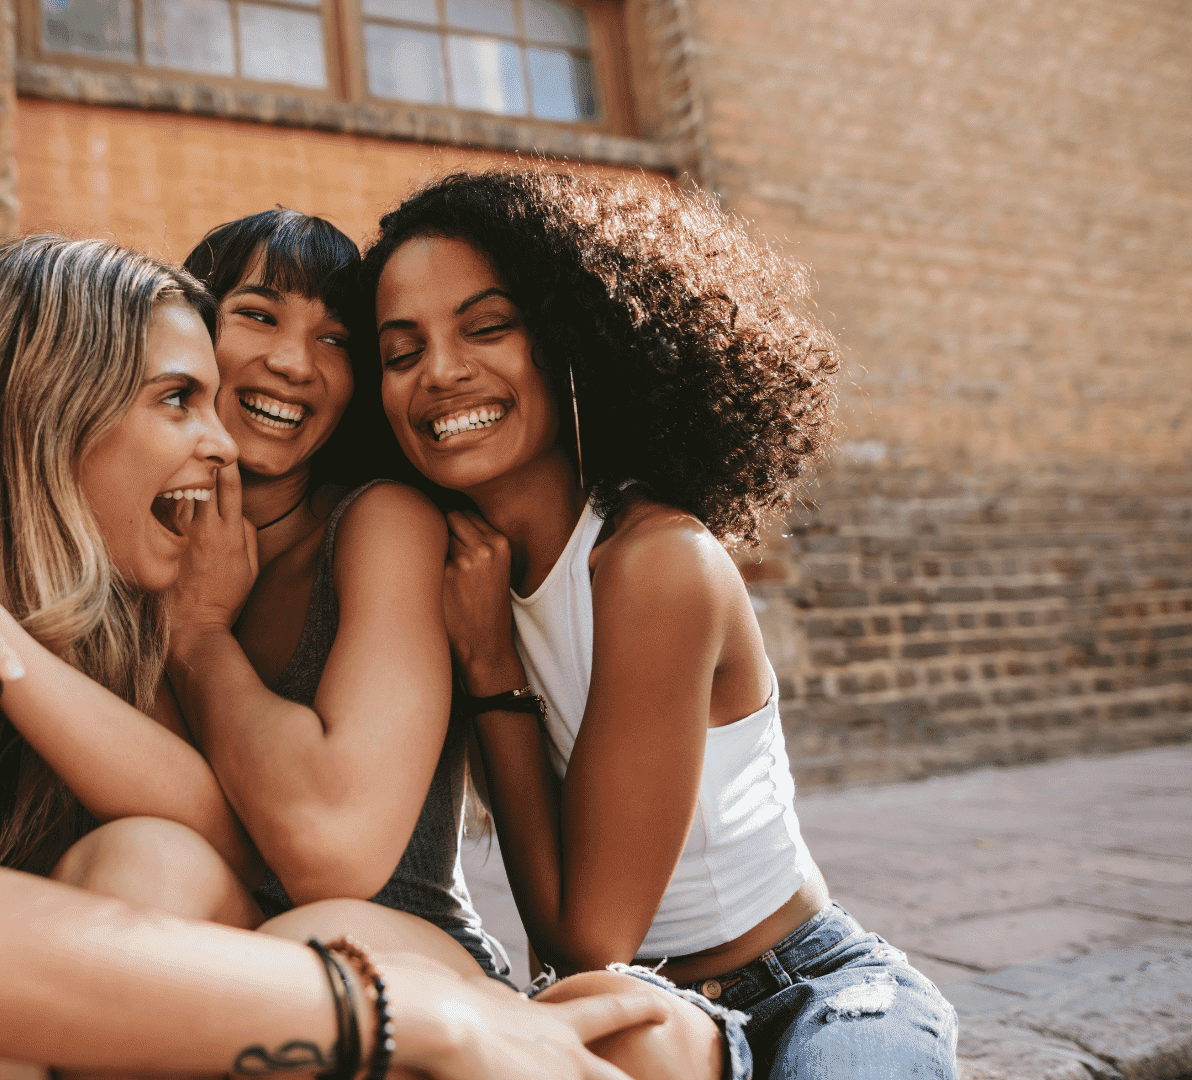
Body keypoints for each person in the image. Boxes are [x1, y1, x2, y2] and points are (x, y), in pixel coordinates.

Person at [0, 234, 669, 1080]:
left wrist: (3, 640)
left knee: (155, 864)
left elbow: (216, 836)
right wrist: (410, 1017)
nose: (221, 446)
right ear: (44, 409)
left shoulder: (80, 622)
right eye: (177, 400)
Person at [0, 211, 738, 1079]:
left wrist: (200, 638)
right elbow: (184, 814)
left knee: (283, 936)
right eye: (258, 314)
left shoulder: (381, 525)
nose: (295, 361)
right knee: (136, 865)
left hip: (395, 943)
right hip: (227, 930)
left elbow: (336, 850)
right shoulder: (142, 538)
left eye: (337, 339)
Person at [358, 169, 960, 1079]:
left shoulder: (654, 562)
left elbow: (586, 938)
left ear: (571, 343)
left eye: (487, 327)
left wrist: (490, 671)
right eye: (402, 351)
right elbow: (583, 970)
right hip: (643, 1013)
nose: (440, 372)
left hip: (812, 991)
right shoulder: (455, 570)